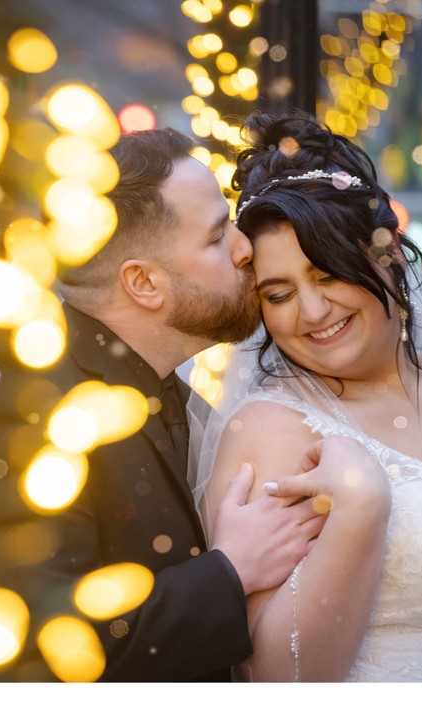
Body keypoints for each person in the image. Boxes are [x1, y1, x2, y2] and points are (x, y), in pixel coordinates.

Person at [193, 111, 422, 681]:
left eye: (329, 275)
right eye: (280, 292)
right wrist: (360, 506)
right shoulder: (273, 429)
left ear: (387, 255)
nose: (311, 313)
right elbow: (278, 680)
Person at [30, 127, 379, 681]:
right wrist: (230, 571)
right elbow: (53, 650)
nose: (247, 248)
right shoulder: (43, 414)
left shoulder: (169, 393)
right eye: (218, 237)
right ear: (144, 282)